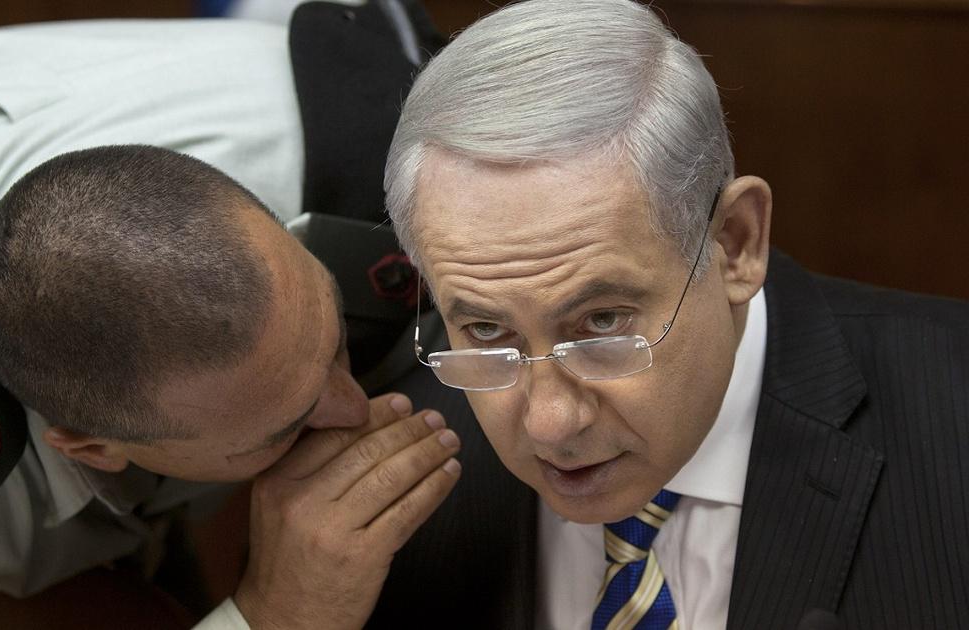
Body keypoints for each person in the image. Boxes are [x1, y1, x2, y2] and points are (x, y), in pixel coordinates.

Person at [0, 13, 459, 630]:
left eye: (330, 333)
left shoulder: (352, 139)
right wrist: (277, 615)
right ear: (91, 448)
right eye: (282, 426)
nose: (353, 409)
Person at [365, 1, 969, 628]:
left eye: (603, 322)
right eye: (488, 331)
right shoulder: (385, 511)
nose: (550, 424)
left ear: (735, 243)